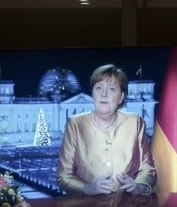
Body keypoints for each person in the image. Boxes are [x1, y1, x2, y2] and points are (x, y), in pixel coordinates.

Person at [55, 64, 156, 196]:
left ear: (121, 97)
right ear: (93, 94)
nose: (103, 94)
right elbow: (63, 176)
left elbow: (148, 169)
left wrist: (139, 186)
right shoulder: (75, 123)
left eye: (111, 89)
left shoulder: (135, 122)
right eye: (99, 88)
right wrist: (86, 188)